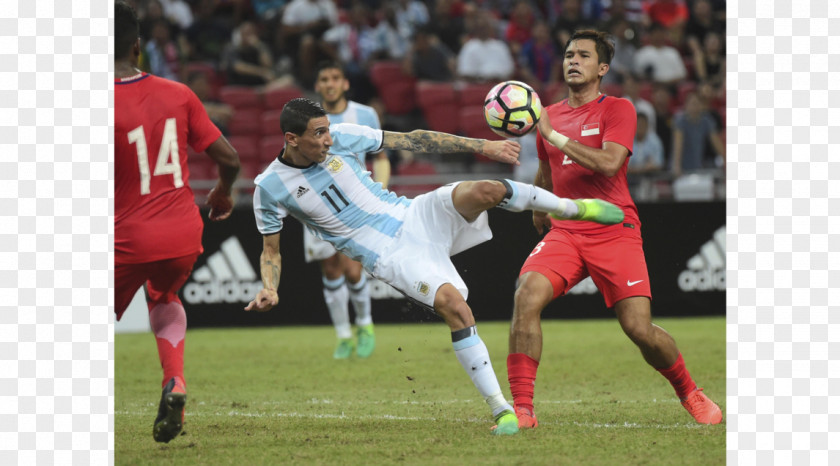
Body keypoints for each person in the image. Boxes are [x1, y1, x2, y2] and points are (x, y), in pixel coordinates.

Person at [244, 97, 624, 435]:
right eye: (318, 134)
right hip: (388, 254)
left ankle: (576, 209)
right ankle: (502, 409)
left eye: (327, 130)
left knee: (486, 190)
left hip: (412, 213)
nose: (328, 140)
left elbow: (413, 138)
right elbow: (271, 251)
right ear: (291, 139)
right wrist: (270, 287)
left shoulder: (342, 136)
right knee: (456, 308)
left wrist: (483, 146)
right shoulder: (271, 187)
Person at [505, 29, 722, 429]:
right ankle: (522, 410)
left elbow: (608, 164)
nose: (573, 60)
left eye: (584, 56)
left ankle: (689, 391)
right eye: (569, 54)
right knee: (526, 295)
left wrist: (553, 134)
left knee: (638, 328)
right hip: (567, 231)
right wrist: (539, 205)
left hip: (614, 229)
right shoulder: (548, 115)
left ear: (602, 68)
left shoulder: (618, 109)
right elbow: (546, 169)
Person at [114, 0, 240, 443]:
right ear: (137, 46)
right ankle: (175, 382)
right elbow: (230, 157)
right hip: (182, 231)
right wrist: (223, 192)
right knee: (164, 295)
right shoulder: (179, 93)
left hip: (125, 236)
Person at [308, 61, 391, 359]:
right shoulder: (306, 117)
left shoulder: (365, 114)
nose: (329, 83)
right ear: (318, 86)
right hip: (318, 205)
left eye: (334, 78)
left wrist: (378, 192)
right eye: (324, 78)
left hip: (355, 204)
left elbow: (380, 157)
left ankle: (365, 325)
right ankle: (343, 336)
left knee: (353, 269)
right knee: (330, 269)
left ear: (345, 83)